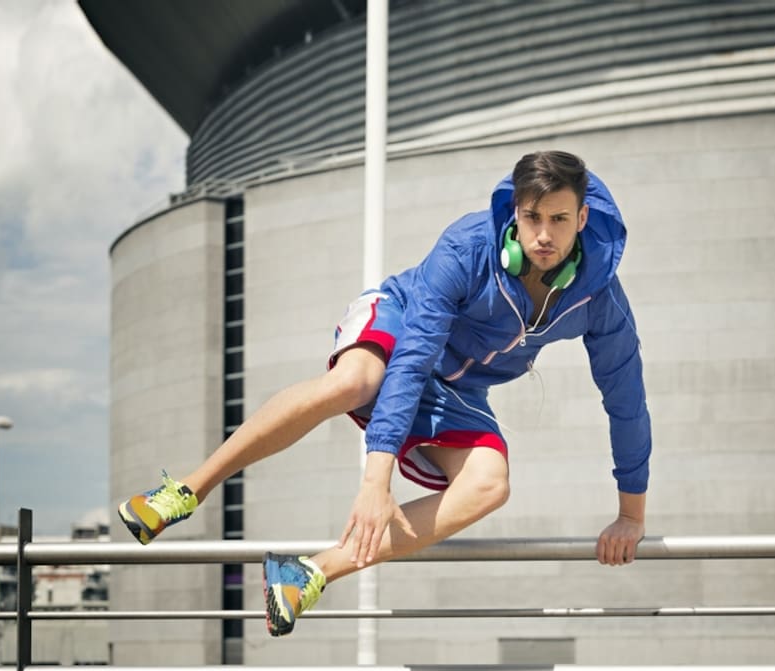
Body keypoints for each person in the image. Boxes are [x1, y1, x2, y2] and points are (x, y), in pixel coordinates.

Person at [118, 150, 651, 637]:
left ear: (582, 219)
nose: (544, 235)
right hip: (402, 323)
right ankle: (186, 491)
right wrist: (377, 479)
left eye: (559, 219)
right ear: (515, 212)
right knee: (356, 382)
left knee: (490, 484)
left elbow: (625, 399)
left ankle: (310, 572)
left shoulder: (599, 296)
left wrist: (631, 516)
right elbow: (415, 355)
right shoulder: (468, 247)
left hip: (456, 388)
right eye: (533, 218)